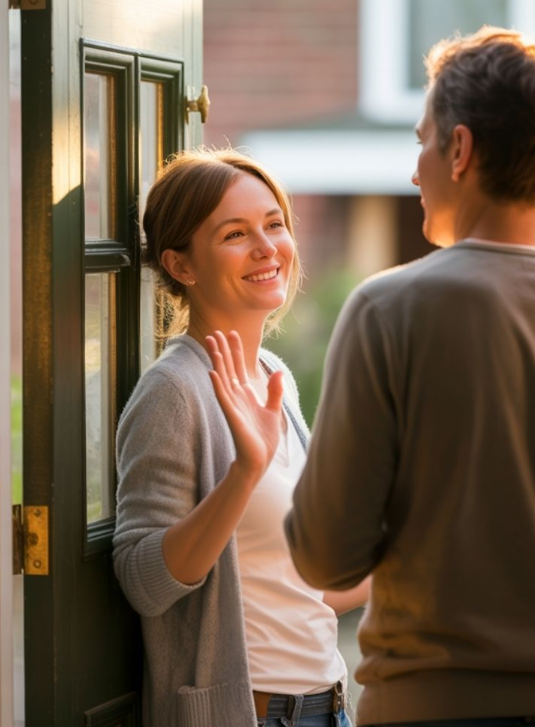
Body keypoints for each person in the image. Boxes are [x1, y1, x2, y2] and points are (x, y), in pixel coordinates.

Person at [284, 28, 535, 727]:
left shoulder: (388, 310)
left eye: (423, 141)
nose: (416, 170)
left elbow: (327, 557)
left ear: (461, 149)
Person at [113, 148, 366, 727]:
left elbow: (303, 586)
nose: (266, 247)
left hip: (325, 704)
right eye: (235, 233)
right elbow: (143, 582)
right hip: (248, 712)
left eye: (274, 224)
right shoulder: (174, 391)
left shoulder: (275, 377)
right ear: (181, 266)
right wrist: (243, 474)